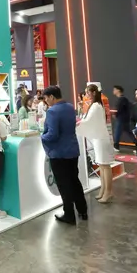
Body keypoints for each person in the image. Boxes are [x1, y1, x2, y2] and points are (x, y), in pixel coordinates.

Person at [41, 85, 87, 224]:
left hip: (59, 153)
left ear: (51, 97)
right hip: (72, 150)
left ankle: (69, 214)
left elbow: (52, 134)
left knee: (64, 185)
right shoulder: (70, 107)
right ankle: (83, 210)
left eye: (46, 98)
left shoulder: (52, 111)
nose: (45, 101)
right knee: (74, 181)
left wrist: (42, 137)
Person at [78, 84, 114, 203]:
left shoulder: (96, 106)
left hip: (101, 138)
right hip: (98, 138)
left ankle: (108, 191)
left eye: (87, 92)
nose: (86, 95)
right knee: (102, 166)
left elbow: (88, 120)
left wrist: (78, 123)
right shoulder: (96, 105)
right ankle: (104, 190)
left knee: (105, 166)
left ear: (93, 92)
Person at [112, 85, 130, 151]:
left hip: (121, 118)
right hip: (123, 118)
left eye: (115, 89)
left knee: (117, 132)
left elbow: (118, 109)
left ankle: (116, 146)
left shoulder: (122, 99)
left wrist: (115, 114)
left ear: (118, 90)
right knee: (129, 132)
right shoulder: (122, 99)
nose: (113, 91)